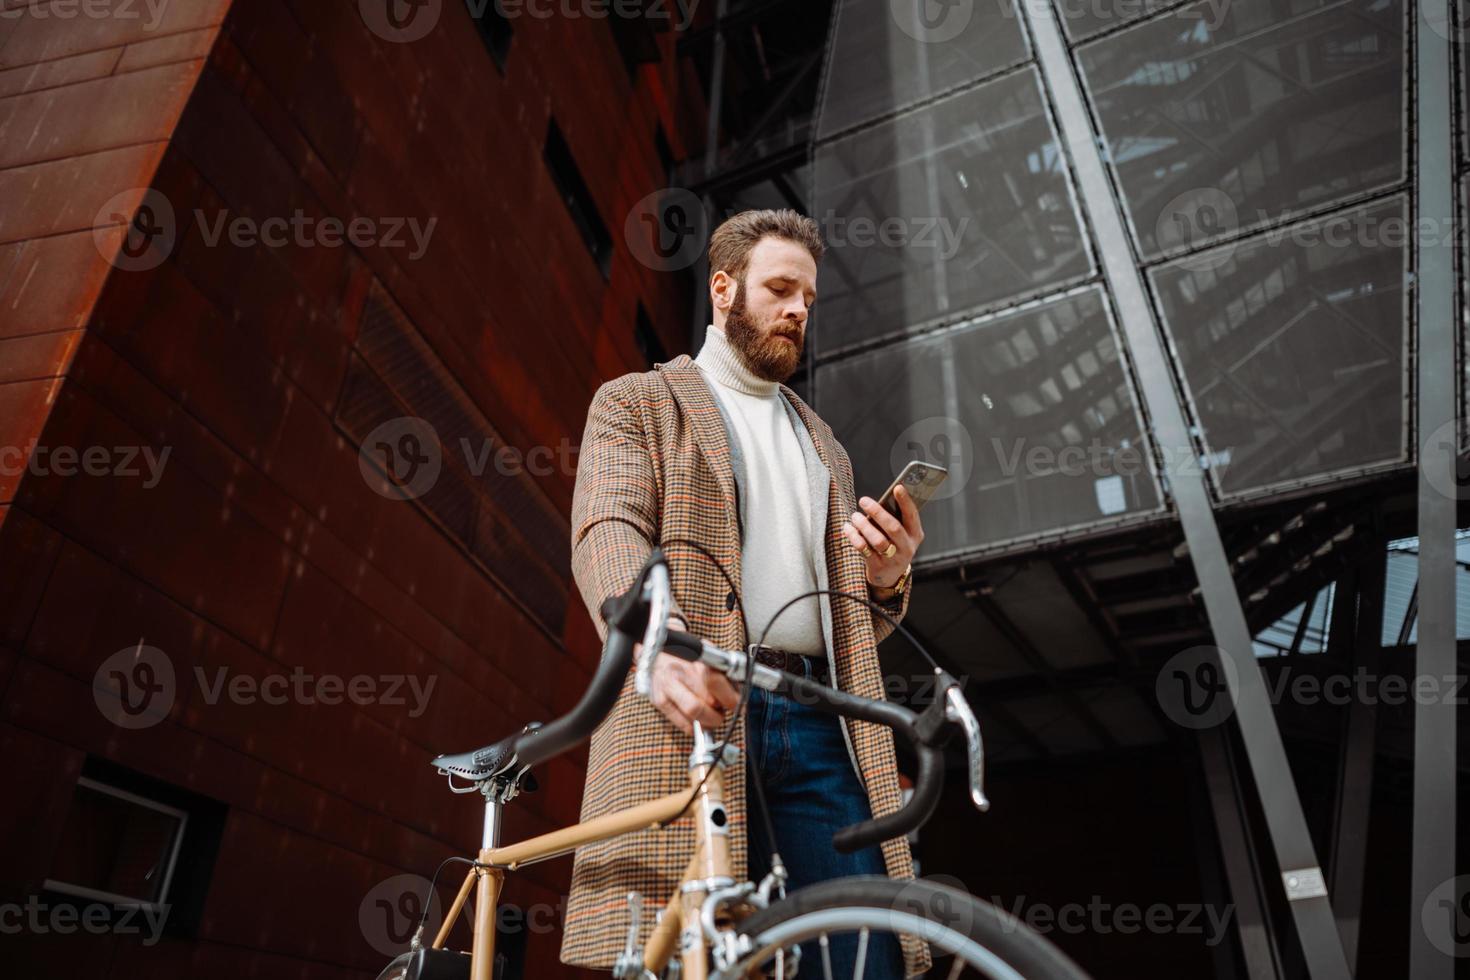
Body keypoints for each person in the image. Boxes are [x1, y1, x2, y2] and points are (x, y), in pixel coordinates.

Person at [559, 208, 932, 978]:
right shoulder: (636, 402)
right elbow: (608, 529)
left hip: (821, 723)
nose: (799, 309)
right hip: (693, 706)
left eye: (809, 298)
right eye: (780, 289)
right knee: (687, 956)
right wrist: (654, 647)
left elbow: (839, 616)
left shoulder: (823, 442)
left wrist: (885, 579)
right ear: (723, 290)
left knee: (865, 957)